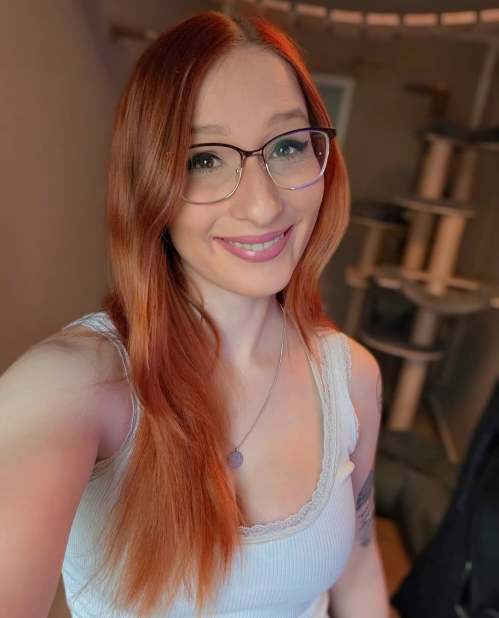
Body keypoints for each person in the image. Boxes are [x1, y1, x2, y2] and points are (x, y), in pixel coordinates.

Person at [0, 10, 389, 618]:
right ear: (148, 181)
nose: (262, 206)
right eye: (204, 159)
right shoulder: (75, 384)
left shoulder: (351, 376)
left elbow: (360, 575)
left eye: (288, 145)